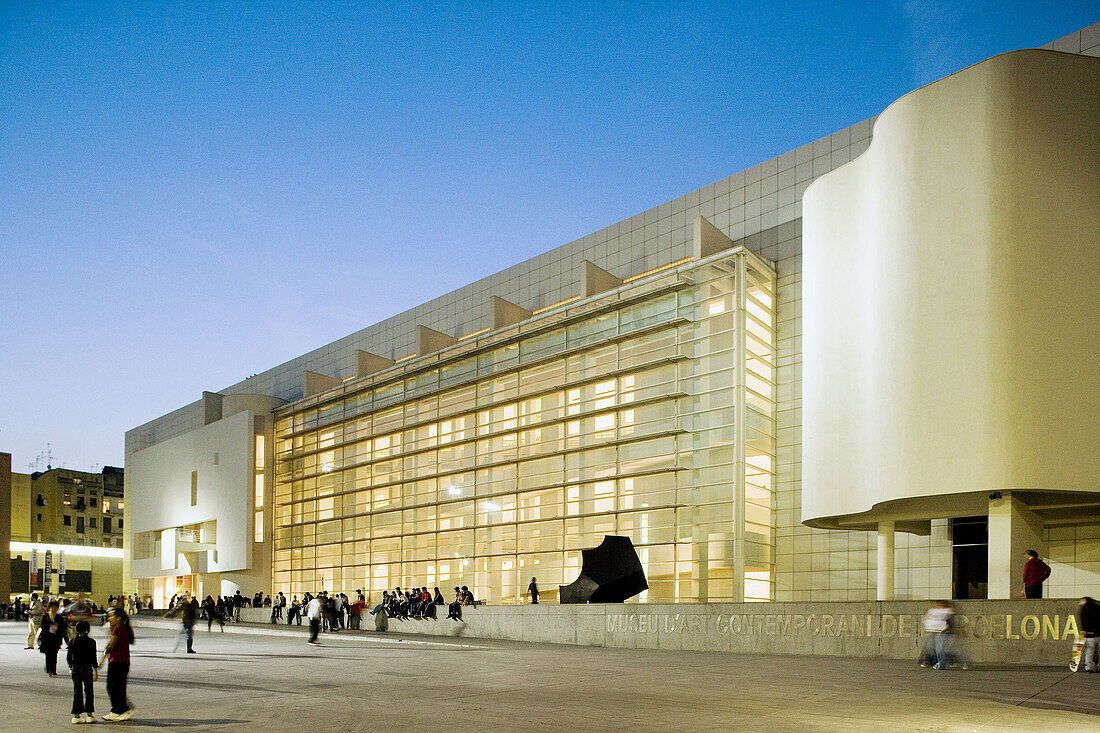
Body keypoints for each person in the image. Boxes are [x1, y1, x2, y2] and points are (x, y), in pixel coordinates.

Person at [99, 608, 135, 722]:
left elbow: (110, 645)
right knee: (118, 687)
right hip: (123, 662)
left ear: (118, 618)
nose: (109, 619)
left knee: (112, 686)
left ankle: (118, 710)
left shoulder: (118, 629)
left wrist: (102, 659)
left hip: (117, 662)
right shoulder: (121, 628)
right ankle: (120, 709)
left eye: (111, 616)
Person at [67, 620, 98, 724]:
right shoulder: (92, 642)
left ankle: (76, 715)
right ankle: (89, 715)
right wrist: (95, 670)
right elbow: (93, 658)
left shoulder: (72, 642)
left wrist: (71, 667)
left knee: (77, 691)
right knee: (89, 691)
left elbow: (68, 658)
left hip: (76, 669)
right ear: (88, 630)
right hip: (87, 669)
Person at [39, 600, 68, 677]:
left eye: (55, 607)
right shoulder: (45, 618)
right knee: (48, 654)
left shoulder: (59, 618)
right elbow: (43, 628)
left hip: (56, 639)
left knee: (54, 654)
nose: (53, 609)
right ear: (49, 608)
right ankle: (49, 669)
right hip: (47, 638)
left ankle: (53, 669)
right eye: (52, 607)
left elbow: (62, 628)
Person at [1077, 597, 1100, 673]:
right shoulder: (1098, 607)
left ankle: (1090, 667)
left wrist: (1083, 632)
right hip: (1099, 634)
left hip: (1090, 635)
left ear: (1085, 600)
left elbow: (1085, 621)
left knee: (1089, 652)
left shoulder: (1085, 608)